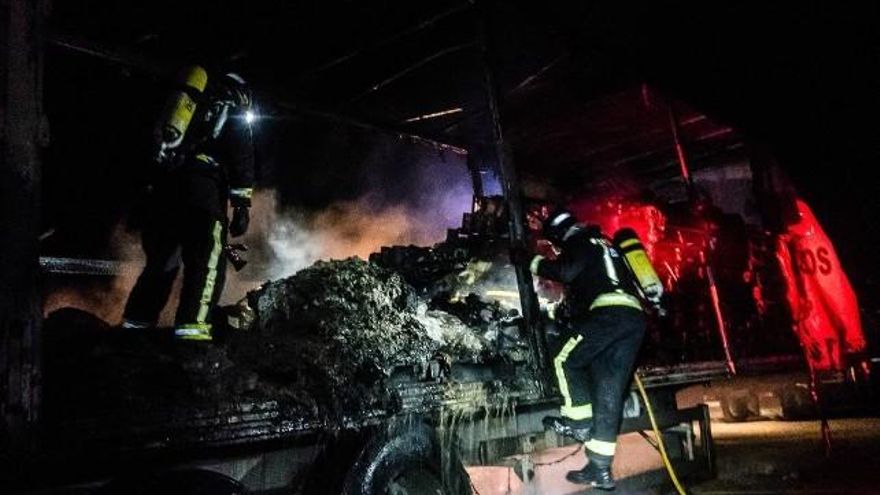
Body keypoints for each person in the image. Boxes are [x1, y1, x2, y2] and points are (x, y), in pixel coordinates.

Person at [513, 207, 647, 490]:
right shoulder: (604, 242)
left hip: (608, 313)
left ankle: (579, 422)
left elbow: (566, 271)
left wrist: (531, 261)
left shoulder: (578, 241)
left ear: (561, 234)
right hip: (633, 318)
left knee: (563, 358)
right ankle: (600, 469)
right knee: (609, 392)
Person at [121, 66, 255, 341]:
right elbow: (241, 155)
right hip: (201, 189)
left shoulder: (182, 104)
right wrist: (242, 205)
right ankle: (192, 330)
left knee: (162, 262)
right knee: (207, 258)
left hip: (163, 188)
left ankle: (135, 327)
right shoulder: (231, 104)